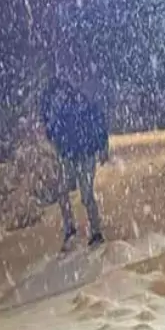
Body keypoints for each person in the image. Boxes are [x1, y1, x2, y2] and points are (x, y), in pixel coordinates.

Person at [39, 76, 109, 252]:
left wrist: (102, 146)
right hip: (72, 155)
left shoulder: (73, 107)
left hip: (82, 154)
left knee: (84, 194)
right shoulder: (66, 108)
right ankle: (77, 231)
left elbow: (97, 124)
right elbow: (54, 130)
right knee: (69, 193)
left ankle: (93, 232)